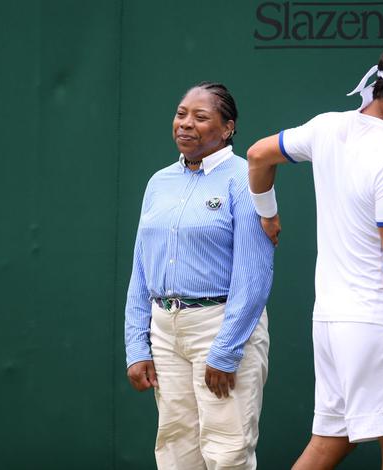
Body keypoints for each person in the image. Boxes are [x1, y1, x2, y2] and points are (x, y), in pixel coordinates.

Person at [247, 38, 383, 469]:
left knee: (328, 444)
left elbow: (258, 155)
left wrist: (268, 214)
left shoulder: (326, 128)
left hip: (332, 326)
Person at [124, 81, 274, 469]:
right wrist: (137, 345)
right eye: (181, 114)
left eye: (200, 117)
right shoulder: (159, 182)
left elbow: (254, 275)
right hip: (165, 328)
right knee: (175, 447)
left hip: (221, 326)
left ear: (227, 128)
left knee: (227, 449)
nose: (185, 124)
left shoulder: (245, 178)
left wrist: (225, 349)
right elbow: (142, 267)